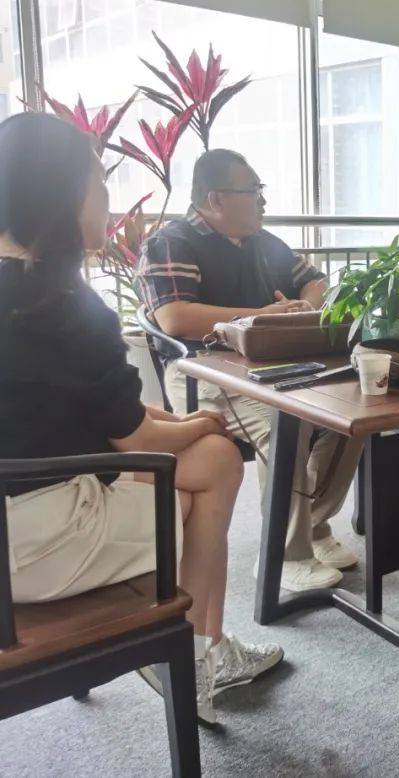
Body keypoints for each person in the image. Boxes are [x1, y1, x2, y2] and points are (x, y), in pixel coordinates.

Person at [0, 113, 281, 725]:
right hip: (39, 547)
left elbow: (105, 410)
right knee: (216, 462)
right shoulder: (66, 304)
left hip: (20, 511)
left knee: (207, 460)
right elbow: (137, 436)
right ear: (61, 198)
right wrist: (203, 424)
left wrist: (186, 425)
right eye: (99, 183)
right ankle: (188, 653)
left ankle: (199, 647)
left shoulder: (23, 293)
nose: (109, 201)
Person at [137, 150, 365, 593]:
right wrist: (260, 317)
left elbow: (315, 279)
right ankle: (285, 554)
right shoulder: (171, 243)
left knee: (349, 413)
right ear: (216, 199)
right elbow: (175, 318)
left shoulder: (263, 242)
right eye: (253, 190)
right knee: (285, 422)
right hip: (203, 371)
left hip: (275, 363)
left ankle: (310, 526)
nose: (262, 200)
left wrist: (304, 305)